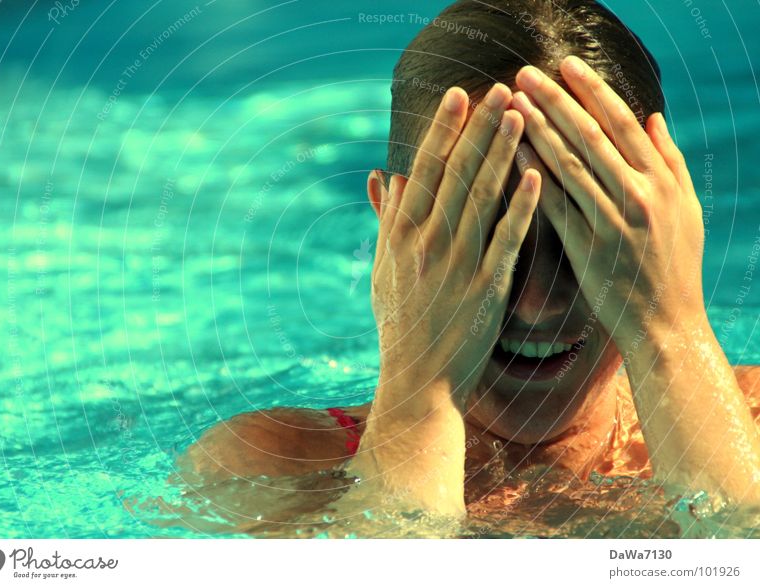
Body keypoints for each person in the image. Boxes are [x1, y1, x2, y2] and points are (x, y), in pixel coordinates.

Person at [177, 0, 760, 520]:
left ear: (667, 224)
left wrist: (669, 332)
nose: (537, 303)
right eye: (486, 234)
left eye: (583, 231)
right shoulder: (270, 469)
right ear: (391, 228)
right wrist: (421, 391)